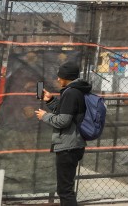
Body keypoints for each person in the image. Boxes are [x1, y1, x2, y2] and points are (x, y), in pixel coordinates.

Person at [34, 61, 91, 206]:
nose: (58, 79)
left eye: (60, 76)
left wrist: (44, 116)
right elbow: (66, 112)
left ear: (67, 77)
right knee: (66, 188)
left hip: (68, 146)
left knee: (65, 191)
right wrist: (51, 100)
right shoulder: (77, 90)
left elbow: (63, 121)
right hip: (74, 144)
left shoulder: (71, 92)